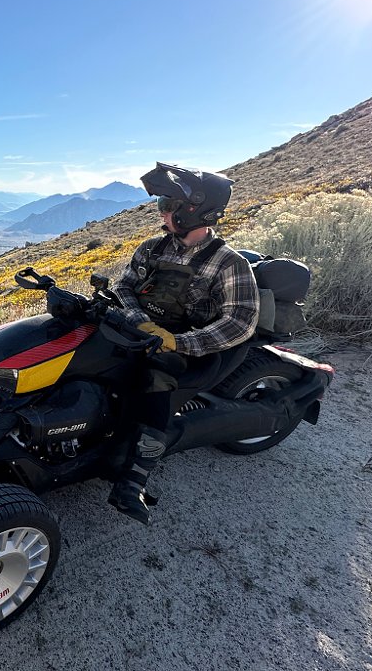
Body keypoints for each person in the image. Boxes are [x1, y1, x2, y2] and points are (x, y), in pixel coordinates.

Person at [108, 162, 260, 524]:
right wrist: (138, 320)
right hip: (146, 332)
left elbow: (241, 321)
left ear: (195, 210)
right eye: (161, 202)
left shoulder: (229, 263)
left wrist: (179, 343)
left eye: (168, 203)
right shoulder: (152, 247)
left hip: (193, 347)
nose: (162, 210)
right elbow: (124, 287)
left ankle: (135, 477)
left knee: (155, 378)